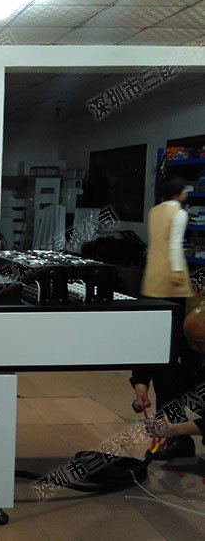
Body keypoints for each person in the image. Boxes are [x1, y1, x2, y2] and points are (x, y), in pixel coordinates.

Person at [131, 177, 196, 459]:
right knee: (174, 351)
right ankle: (175, 435)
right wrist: (179, 274)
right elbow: (174, 246)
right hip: (171, 281)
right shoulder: (179, 213)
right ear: (178, 193)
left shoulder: (155, 211)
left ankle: (170, 432)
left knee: (159, 346)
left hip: (152, 281)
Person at [145, 306, 205, 443]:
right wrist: (141, 386)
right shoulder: (184, 340)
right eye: (190, 340)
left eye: (199, 343)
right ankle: (177, 441)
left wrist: (174, 429)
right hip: (196, 396)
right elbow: (153, 356)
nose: (193, 347)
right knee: (167, 367)